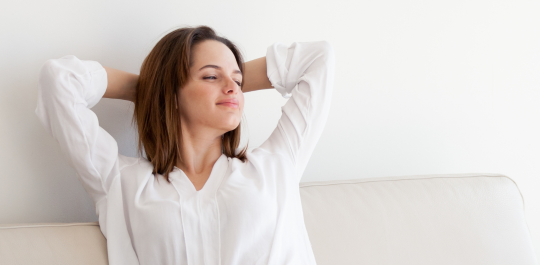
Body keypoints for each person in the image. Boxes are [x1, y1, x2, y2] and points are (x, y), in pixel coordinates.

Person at [35, 26, 333, 265]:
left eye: (238, 80)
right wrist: (155, 88)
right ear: (172, 93)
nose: (232, 87)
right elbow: (59, 81)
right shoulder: (120, 183)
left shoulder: (276, 165)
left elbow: (318, 59)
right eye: (212, 76)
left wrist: (223, 81)